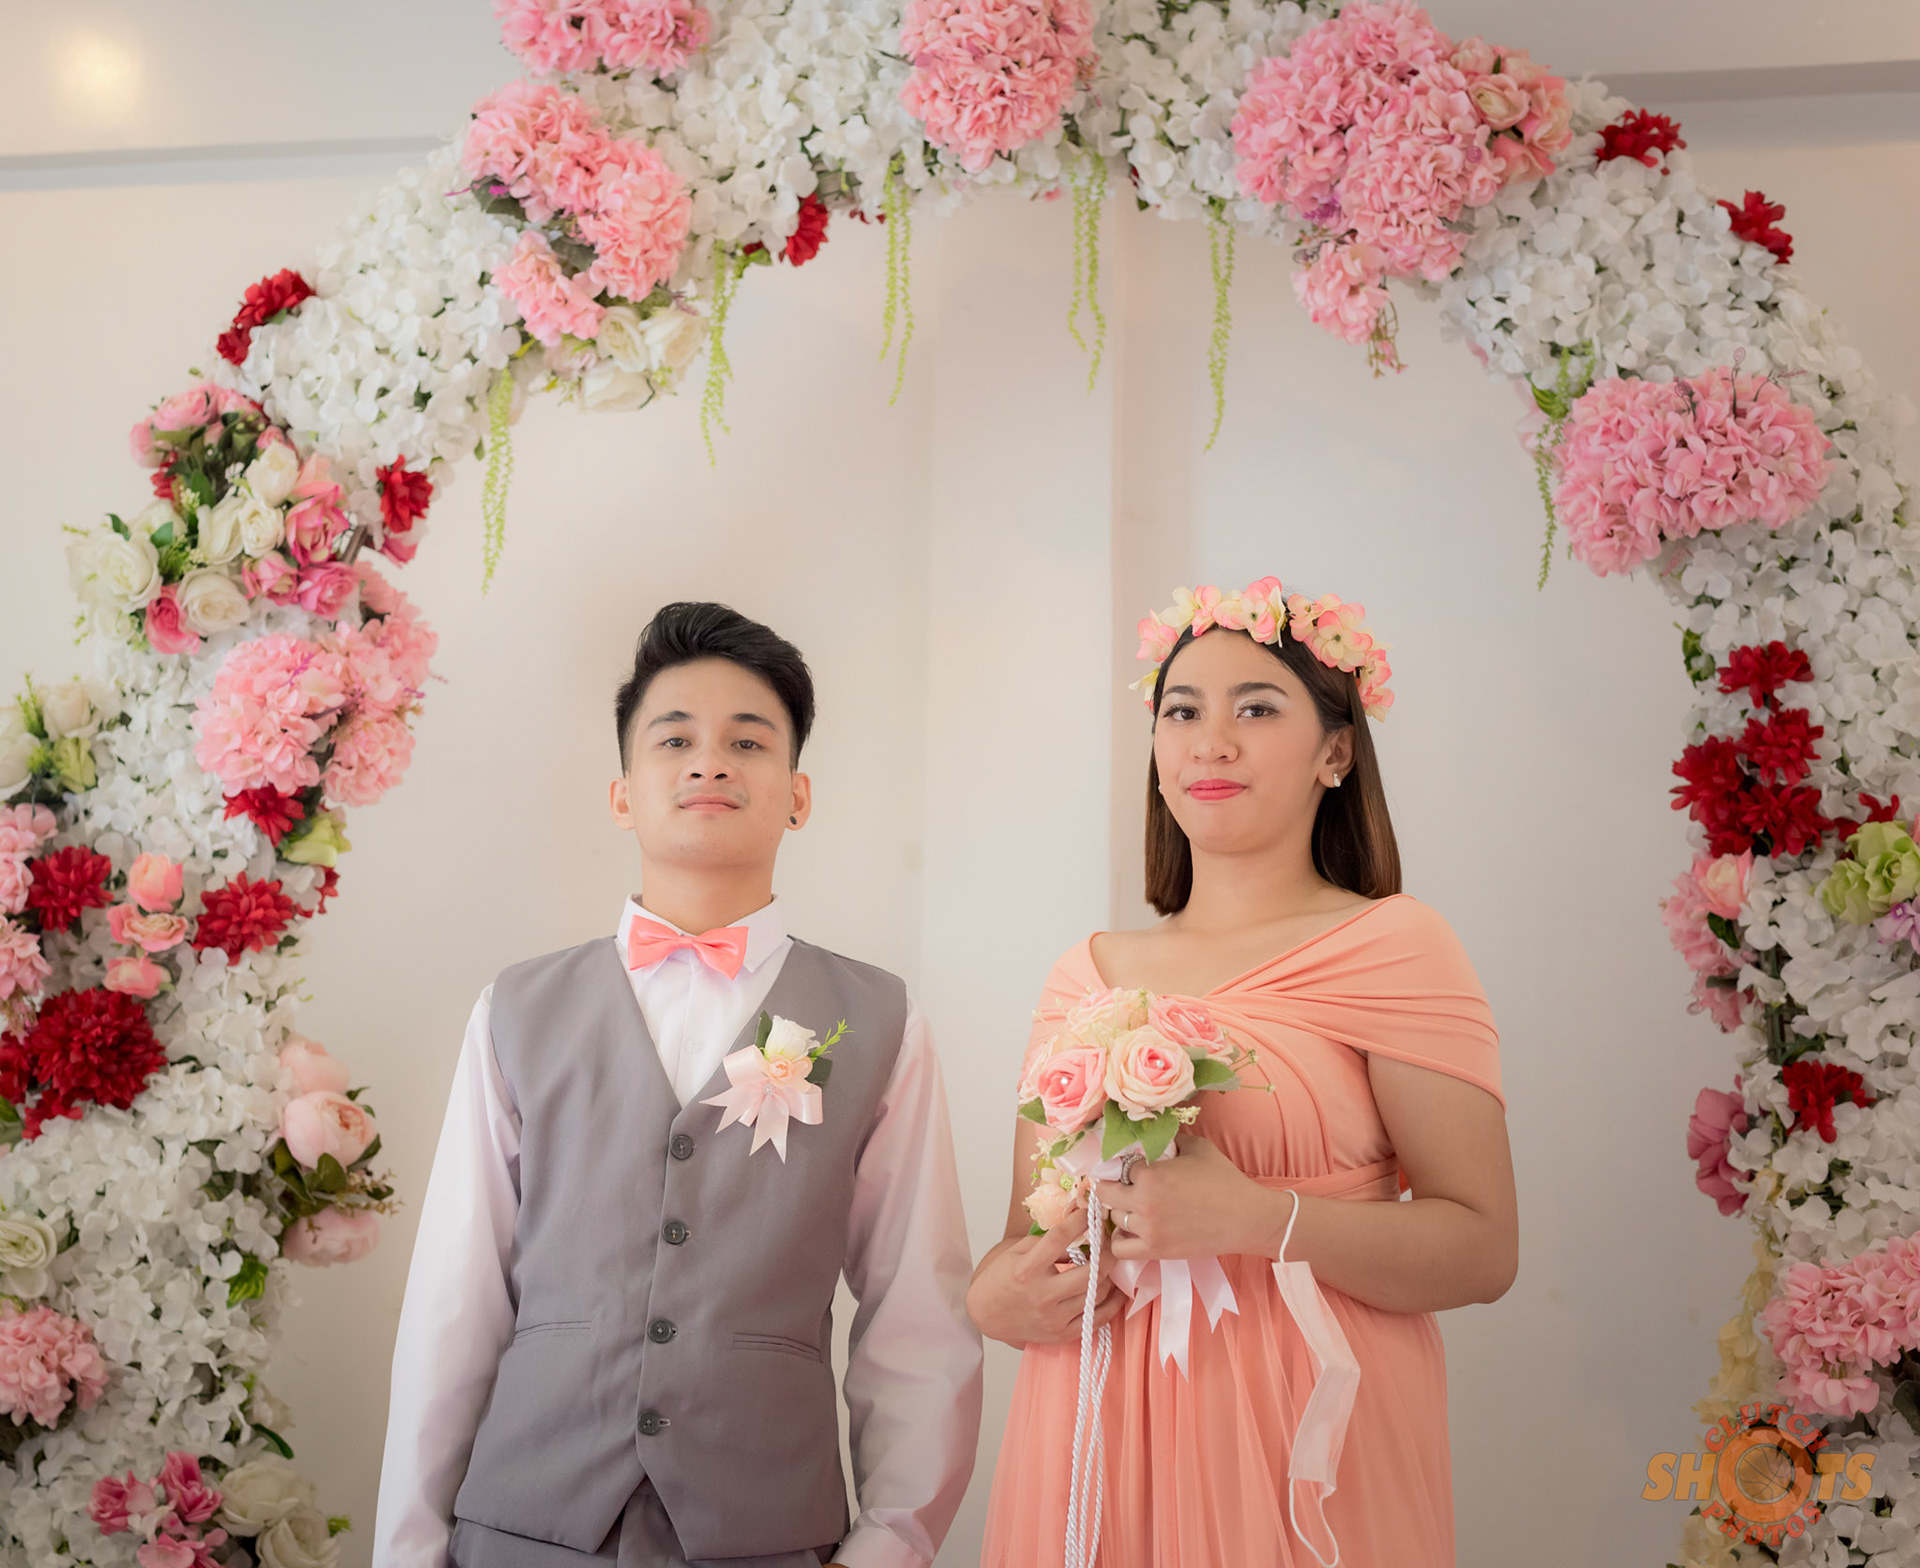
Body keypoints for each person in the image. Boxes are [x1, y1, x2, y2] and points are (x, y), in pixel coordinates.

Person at [373, 602, 984, 1568]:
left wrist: (890, 1546)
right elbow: (456, 1299)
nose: (710, 763)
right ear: (623, 795)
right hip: (523, 1531)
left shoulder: (882, 1021)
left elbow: (917, 1316)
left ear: (798, 795)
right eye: (675, 740)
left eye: (748, 741)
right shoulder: (514, 1008)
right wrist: (410, 1549)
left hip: (768, 1536)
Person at [970, 577, 1518, 1568]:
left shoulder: (1396, 944)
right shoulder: (1084, 974)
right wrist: (995, 1299)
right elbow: (1022, 1239)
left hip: (1307, 1438)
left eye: (1255, 709)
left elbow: (1483, 1250)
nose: (1210, 743)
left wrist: (1261, 1219)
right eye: (1182, 712)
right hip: (1091, 1436)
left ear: (1335, 752)